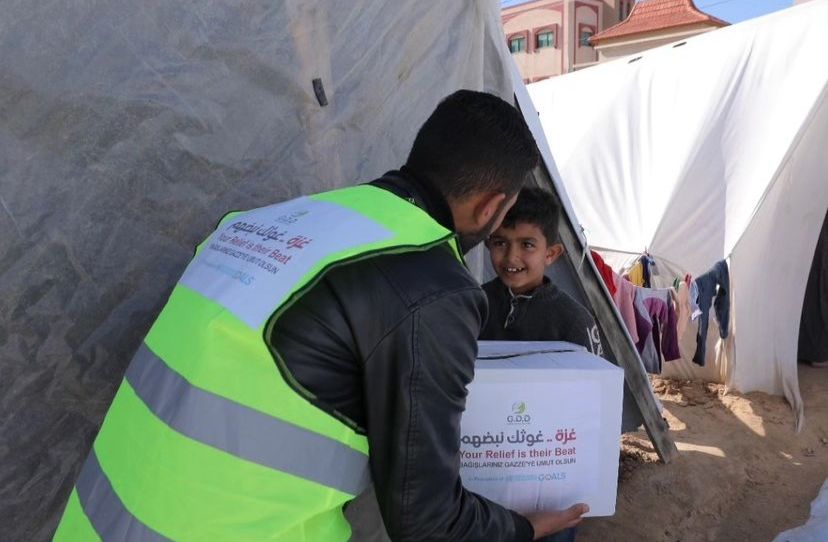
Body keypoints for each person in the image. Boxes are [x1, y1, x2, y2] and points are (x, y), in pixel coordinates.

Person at [53, 90, 587, 541]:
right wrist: (523, 528)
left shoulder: (260, 223)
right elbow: (429, 523)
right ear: (493, 207)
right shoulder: (431, 288)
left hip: (93, 523)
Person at [480, 186, 603, 356]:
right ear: (488, 243)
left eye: (527, 245)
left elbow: (595, 380)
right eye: (500, 243)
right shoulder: (473, 304)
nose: (511, 256)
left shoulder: (573, 321)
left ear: (550, 254)